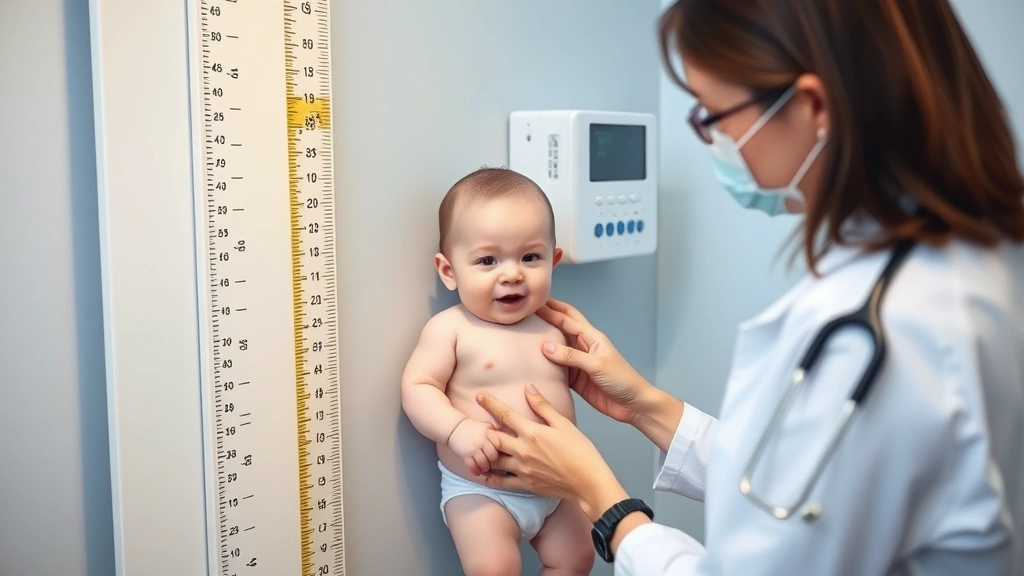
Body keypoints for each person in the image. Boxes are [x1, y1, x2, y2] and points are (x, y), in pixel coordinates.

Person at [474, 0, 1024, 574]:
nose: (714, 140)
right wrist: (646, 406)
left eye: (712, 115)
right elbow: (808, 485)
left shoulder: (874, 335)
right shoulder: (969, 259)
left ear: (812, 106)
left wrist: (605, 502)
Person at [401, 167, 594, 576]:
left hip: (557, 481)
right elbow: (418, 387)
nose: (512, 273)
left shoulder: (556, 323)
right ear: (449, 271)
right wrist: (457, 430)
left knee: (578, 558)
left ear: (553, 261)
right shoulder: (451, 328)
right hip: (482, 490)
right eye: (488, 260)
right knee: (494, 569)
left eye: (530, 257)